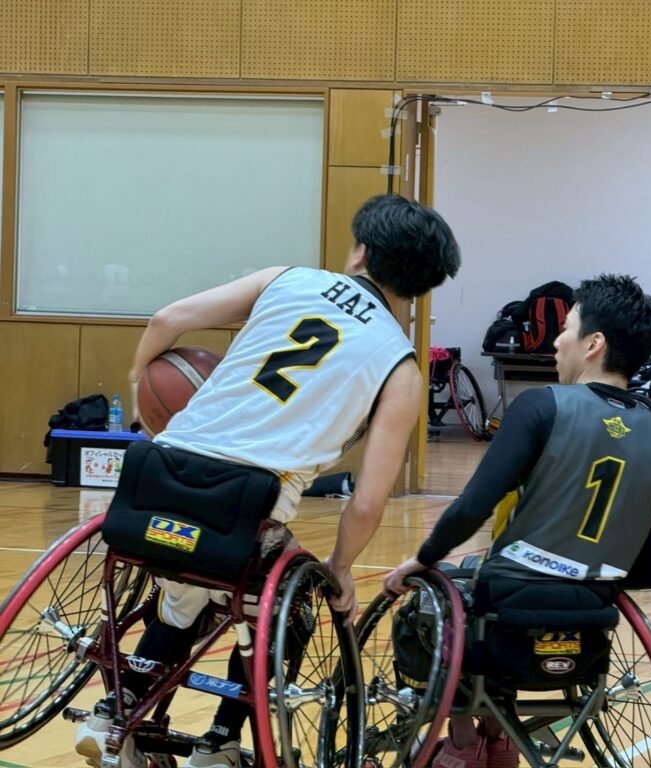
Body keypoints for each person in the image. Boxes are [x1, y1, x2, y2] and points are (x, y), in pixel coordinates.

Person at [74, 194, 460, 768]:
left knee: (183, 593)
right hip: (243, 506)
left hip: (157, 473)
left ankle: (117, 709)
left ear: (360, 251)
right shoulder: (401, 367)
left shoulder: (288, 278)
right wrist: (341, 568)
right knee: (293, 605)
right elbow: (367, 503)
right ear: (423, 286)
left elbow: (167, 321)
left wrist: (138, 387)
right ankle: (220, 742)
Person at [384, 274, 651, 768]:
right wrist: (584, 573)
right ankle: (500, 739)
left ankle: (462, 738)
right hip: (590, 624)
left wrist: (423, 558)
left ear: (594, 344)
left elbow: (472, 507)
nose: (557, 342)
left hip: (509, 607)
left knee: (427, 602)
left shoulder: (541, 406)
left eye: (565, 329)